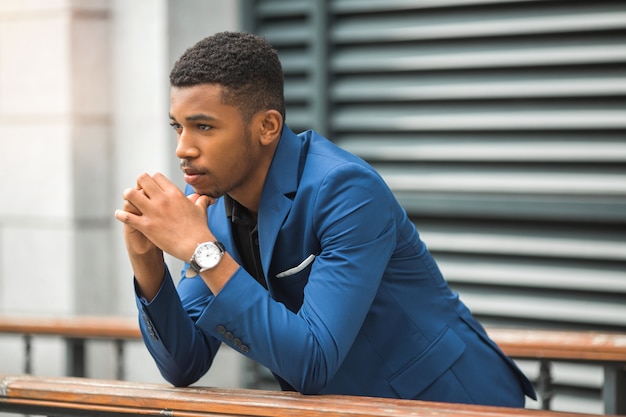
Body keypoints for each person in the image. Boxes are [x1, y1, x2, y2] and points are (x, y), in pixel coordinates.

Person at [115, 31, 536, 406]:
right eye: (178, 127)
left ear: (267, 126)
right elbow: (184, 364)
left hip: (452, 401)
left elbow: (311, 361)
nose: (182, 149)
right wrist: (146, 260)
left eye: (204, 127)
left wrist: (201, 251)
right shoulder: (206, 201)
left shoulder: (347, 190)